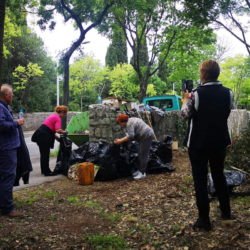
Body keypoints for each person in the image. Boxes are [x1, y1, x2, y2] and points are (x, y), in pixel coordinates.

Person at [181, 60, 234, 231]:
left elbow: (184, 114)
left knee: (200, 179)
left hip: (198, 143)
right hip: (219, 141)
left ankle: (204, 220)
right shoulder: (228, 93)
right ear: (217, 73)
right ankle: (226, 212)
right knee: (219, 175)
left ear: (203, 73)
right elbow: (225, 112)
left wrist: (184, 100)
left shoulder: (196, 94)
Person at [0, 84, 24, 217]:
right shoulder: (0, 107)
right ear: (6, 95)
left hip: (7, 147)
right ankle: (7, 209)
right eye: (12, 94)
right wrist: (17, 123)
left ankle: (3, 204)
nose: (13, 96)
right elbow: (1, 125)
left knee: (4, 177)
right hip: (6, 148)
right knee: (8, 177)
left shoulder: (4, 107)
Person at [114, 114, 155, 180]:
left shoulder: (129, 124)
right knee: (140, 153)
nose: (120, 125)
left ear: (123, 121)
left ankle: (142, 173)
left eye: (120, 123)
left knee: (143, 154)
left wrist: (120, 141)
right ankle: (140, 171)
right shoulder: (130, 120)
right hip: (144, 136)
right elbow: (130, 134)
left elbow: (131, 136)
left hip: (147, 136)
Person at [31, 105, 68, 176]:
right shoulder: (57, 118)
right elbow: (58, 130)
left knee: (43, 154)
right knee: (45, 154)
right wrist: (65, 132)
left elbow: (51, 129)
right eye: (65, 113)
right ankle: (47, 172)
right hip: (44, 136)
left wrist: (58, 139)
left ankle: (44, 170)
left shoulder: (53, 116)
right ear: (62, 112)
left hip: (40, 134)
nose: (64, 115)